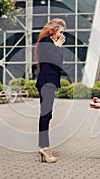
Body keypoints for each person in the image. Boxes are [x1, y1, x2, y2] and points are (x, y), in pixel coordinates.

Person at [34, 18, 66, 163]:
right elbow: (54, 60)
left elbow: (59, 64)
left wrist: (58, 46)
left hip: (50, 82)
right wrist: (58, 46)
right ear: (54, 30)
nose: (62, 35)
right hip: (47, 82)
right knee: (45, 114)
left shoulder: (51, 44)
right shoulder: (46, 42)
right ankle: (44, 147)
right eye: (61, 32)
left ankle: (44, 147)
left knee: (47, 114)